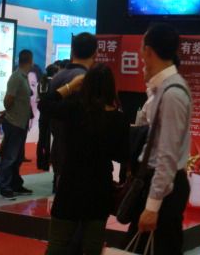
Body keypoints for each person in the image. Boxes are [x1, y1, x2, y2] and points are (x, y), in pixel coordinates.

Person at [46, 64, 129, 255]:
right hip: (99, 187)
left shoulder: (75, 109)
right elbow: (122, 155)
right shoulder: (119, 119)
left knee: (58, 244)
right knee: (92, 247)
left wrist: (70, 86)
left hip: (70, 183)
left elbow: (45, 104)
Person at [126, 23, 192, 255]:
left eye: (142, 47)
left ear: (148, 51)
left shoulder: (172, 93)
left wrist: (153, 206)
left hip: (164, 188)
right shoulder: (165, 88)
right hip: (160, 183)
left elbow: (167, 155)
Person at [42, 33, 97, 189]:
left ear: (73, 51)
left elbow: (47, 106)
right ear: (95, 53)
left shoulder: (58, 76)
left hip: (59, 145)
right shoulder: (84, 79)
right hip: (77, 151)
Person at [0, 49, 34, 200]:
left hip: (20, 122)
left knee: (17, 157)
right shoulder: (17, 77)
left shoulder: (22, 77)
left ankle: (15, 184)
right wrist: (9, 111)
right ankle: (5, 187)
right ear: (30, 61)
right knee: (10, 157)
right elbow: (8, 99)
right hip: (14, 122)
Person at [37, 64, 59, 172]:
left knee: (41, 138)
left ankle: (40, 162)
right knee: (48, 139)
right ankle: (46, 162)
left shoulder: (42, 82)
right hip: (50, 113)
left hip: (42, 113)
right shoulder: (54, 83)